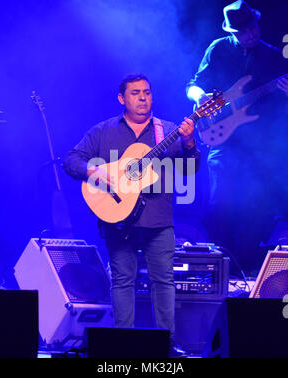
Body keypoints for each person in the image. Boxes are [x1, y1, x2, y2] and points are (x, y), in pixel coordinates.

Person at [63, 73, 201, 356]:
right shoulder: (104, 131)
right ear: (122, 99)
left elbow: (189, 169)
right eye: (136, 93)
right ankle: (121, 344)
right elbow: (71, 160)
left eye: (147, 92)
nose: (143, 97)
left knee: (163, 280)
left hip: (158, 219)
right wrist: (94, 170)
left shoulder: (168, 130)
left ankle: (167, 343)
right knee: (122, 279)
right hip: (117, 218)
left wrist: (189, 144)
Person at [186, 0, 288, 276]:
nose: (251, 34)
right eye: (243, 31)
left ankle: (246, 272)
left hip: (260, 148)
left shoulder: (274, 57)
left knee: (259, 210)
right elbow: (193, 85)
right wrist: (200, 97)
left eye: (253, 27)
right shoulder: (219, 49)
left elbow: (283, 112)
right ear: (232, 32)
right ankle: (216, 271)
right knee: (220, 205)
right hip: (223, 141)